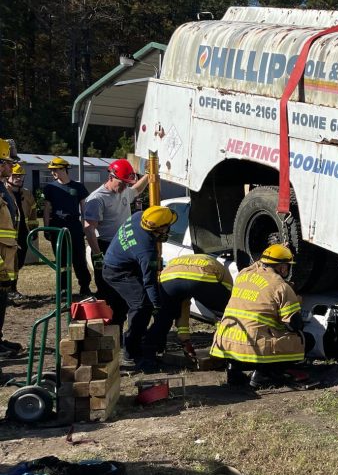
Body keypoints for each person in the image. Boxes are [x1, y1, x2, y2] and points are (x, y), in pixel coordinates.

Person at [211, 244, 306, 388]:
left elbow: (259, 264)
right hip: (253, 348)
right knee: (304, 340)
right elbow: (294, 325)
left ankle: (234, 371)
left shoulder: (243, 274)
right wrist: (296, 303)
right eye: (287, 266)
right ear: (282, 268)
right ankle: (263, 374)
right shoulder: (281, 287)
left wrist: (276, 250)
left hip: (225, 343)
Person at [102, 205, 177, 371]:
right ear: (158, 229)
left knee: (121, 309)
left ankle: (115, 344)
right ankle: (132, 352)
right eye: (167, 227)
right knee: (142, 305)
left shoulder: (139, 216)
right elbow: (149, 282)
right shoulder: (146, 250)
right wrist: (157, 305)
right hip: (118, 273)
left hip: (118, 263)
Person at [83, 159, 149, 322]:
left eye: (127, 183)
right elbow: (89, 228)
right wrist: (98, 255)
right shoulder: (98, 198)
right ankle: (106, 328)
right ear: (111, 177)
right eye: (122, 183)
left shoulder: (124, 190)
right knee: (108, 294)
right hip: (105, 247)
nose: (125, 187)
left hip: (123, 247)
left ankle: (117, 329)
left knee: (124, 294)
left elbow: (136, 190)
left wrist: (149, 175)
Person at [146, 253, 233, 361]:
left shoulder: (177, 260)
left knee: (165, 317)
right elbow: (228, 304)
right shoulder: (225, 274)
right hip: (201, 276)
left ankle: (148, 353)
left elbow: (184, 306)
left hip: (168, 279)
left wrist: (185, 340)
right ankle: (226, 349)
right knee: (225, 313)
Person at [41, 157, 91, 296]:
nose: (53, 173)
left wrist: (85, 228)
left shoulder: (78, 187)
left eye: (55, 170)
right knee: (61, 260)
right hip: (57, 228)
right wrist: (46, 228)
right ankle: (64, 288)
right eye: (51, 171)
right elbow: (47, 209)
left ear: (64, 169)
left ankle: (85, 286)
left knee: (79, 259)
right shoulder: (50, 188)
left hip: (74, 227)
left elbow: (84, 209)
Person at [0, 140, 22, 356]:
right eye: (7, 163)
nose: (11, 167)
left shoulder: (1, 187)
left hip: (5, 258)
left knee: (1, 304)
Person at [5, 162, 38, 302]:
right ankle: (9, 290)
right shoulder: (4, 193)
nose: (18, 178)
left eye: (20, 176)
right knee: (8, 264)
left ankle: (12, 289)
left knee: (19, 262)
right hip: (8, 235)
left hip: (23, 234)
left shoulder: (26, 193)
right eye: (15, 175)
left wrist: (34, 229)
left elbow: (33, 213)